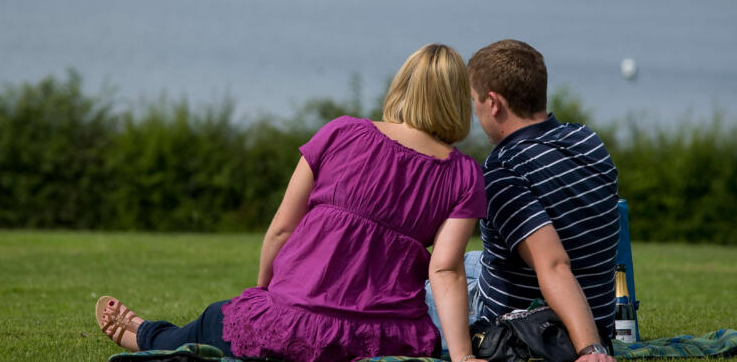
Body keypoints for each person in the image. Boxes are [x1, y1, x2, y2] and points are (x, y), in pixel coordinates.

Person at [95, 43, 489, 362]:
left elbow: (282, 229)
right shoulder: (464, 174)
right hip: (384, 339)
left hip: (295, 327)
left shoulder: (342, 133)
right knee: (220, 319)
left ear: (402, 85)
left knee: (216, 318)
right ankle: (147, 331)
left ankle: (146, 334)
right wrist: (462, 356)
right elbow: (446, 271)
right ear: (457, 101)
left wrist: (262, 298)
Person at [467, 39, 619, 361]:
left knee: (416, 288)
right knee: (460, 261)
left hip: (529, 328)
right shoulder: (589, 142)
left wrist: (590, 349)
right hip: (600, 314)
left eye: (475, 103)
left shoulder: (503, 171)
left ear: (493, 103)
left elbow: (554, 265)